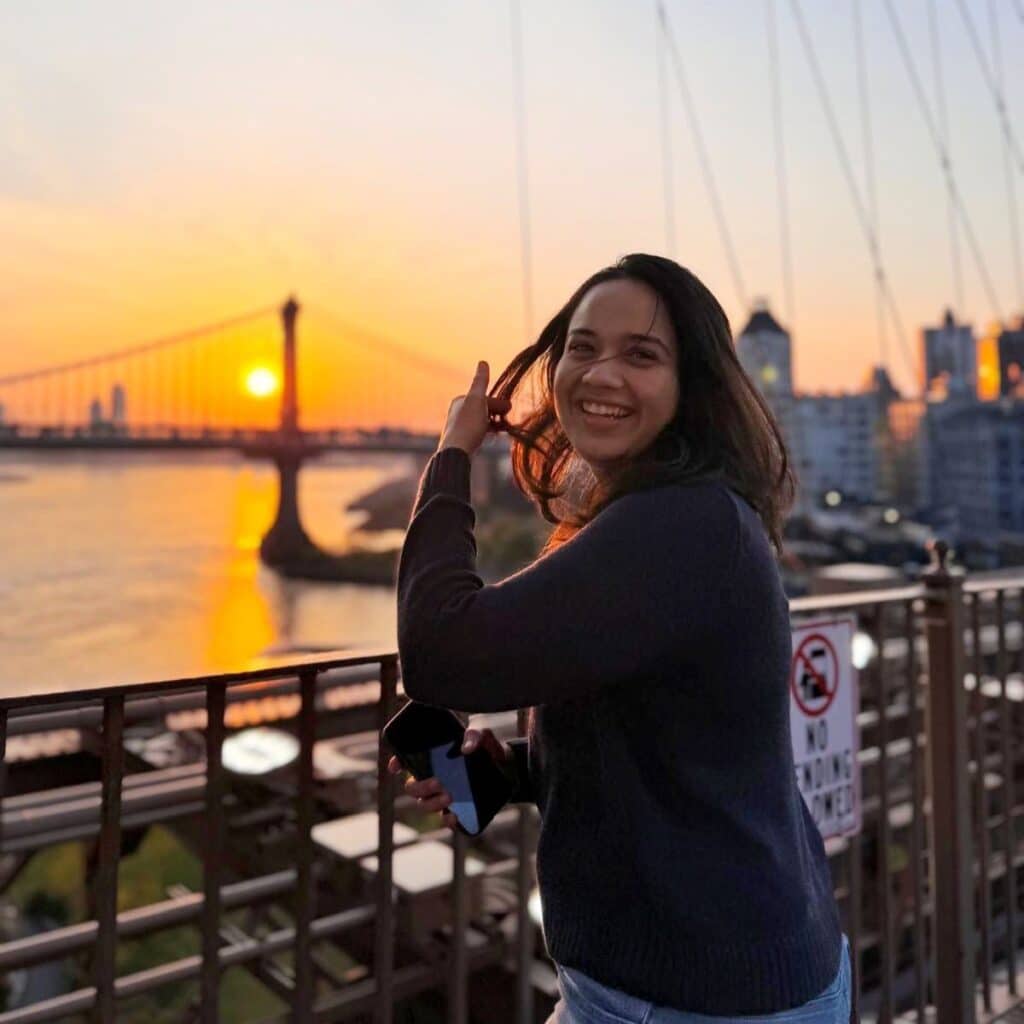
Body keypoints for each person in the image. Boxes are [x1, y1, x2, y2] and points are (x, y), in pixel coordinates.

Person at [386, 254, 853, 1022]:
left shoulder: (681, 523)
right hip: (699, 981)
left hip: (694, 998)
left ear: (690, 386)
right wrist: (523, 770)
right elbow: (679, 731)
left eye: (642, 354)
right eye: (582, 346)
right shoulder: (659, 516)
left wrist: (450, 455)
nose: (602, 373)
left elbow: (441, 652)